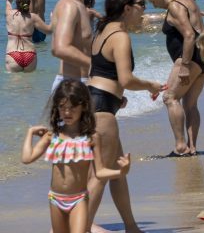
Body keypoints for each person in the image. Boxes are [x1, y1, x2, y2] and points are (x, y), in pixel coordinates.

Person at [85, 0, 163, 233]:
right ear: (127, 8)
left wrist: (118, 96)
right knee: (100, 174)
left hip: (96, 100)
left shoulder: (103, 30)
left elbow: (98, 71)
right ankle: (80, 228)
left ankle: (131, 227)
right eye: (141, 4)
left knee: (117, 170)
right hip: (102, 108)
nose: (144, 9)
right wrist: (150, 84)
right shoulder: (120, 36)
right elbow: (126, 78)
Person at [21, 80, 130, 233]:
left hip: (79, 199)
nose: (67, 112)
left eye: (72, 108)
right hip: (55, 199)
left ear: (84, 106)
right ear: (57, 108)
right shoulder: (53, 136)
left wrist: (121, 172)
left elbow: (99, 172)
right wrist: (30, 133)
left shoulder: (92, 138)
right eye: (62, 107)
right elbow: (26, 158)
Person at [140, 0, 204, 156]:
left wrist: (185, 66)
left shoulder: (175, 5)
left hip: (189, 59)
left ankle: (180, 147)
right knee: (190, 104)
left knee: (170, 98)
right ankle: (191, 148)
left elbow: (189, 35)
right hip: (203, 57)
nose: (153, 4)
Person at [51, 0, 99, 93]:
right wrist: (97, 68)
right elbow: (59, 48)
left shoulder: (79, 5)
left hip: (78, 84)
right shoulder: (70, 6)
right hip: (71, 88)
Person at [6, 0, 51, 71]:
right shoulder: (33, 17)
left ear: (17, 2)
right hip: (30, 54)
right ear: (29, 3)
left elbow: (8, 6)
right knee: (29, 83)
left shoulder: (10, 14)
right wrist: (53, 20)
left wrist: (9, 0)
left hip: (13, 54)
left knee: (13, 83)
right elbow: (49, 31)